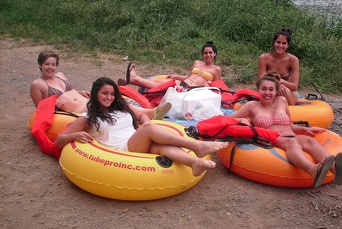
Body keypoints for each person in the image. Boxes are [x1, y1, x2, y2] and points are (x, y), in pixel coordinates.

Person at [56, 77, 229, 176]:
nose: (109, 97)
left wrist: (147, 123)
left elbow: (142, 116)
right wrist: (75, 136)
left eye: (112, 94)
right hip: (122, 150)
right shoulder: (88, 118)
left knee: (161, 145)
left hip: (137, 141)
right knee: (148, 130)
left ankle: (194, 162)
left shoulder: (121, 106)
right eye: (104, 93)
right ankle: (198, 146)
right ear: (95, 94)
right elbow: (59, 140)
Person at [231, 72, 342, 187]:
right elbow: (231, 119)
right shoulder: (252, 106)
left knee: (311, 141)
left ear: (276, 91)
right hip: (273, 139)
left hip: (291, 135)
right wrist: (244, 121)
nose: (267, 92)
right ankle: (312, 169)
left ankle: (335, 169)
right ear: (258, 90)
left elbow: (289, 124)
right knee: (292, 143)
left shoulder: (282, 101)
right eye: (264, 89)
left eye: (271, 89)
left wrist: (305, 130)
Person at [30, 51, 170, 119]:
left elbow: (70, 92)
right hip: (76, 110)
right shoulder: (38, 84)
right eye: (47, 64)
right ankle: (148, 114)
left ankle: (150, 113)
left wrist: (80, 92)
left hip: (86, 101)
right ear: (40, 65)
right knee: (111, 105)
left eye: (53, 64)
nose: (50, 67)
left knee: (115, 100)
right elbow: (42, 110)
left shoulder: (60, 75)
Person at [118, 41, 222, 90]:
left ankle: (134, 79)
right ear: (202, 54)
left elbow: (217, 87)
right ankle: (128, 84)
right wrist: (175, 76)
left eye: (210, 53)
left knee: (162, 86)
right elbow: (188, 77)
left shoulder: (216, 69)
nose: (208, 55)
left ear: (215, 54)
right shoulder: (197, 63)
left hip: (191, 89)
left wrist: (209, 83)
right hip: (184, 82)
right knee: (158, 81)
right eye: (205, 53)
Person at [258, 28, 299, 105]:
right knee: (275, 91)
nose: (280, 46)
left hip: (289, 92)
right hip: (269, 89)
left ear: (287, 45)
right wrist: (276, 85)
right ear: (274, 43)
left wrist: (281, 82)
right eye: (278, 42)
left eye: (284, 43)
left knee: (285, 91)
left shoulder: (293, 60)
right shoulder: (264, 58)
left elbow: (294, 87)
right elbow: (260, 82)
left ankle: (291, 112)